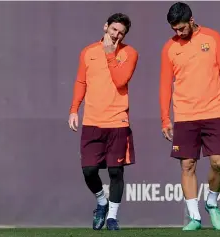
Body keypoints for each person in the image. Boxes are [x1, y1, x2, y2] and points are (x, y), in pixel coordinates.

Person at [159, 2, 220, 231]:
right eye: (174, 30)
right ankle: (195, 217)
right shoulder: (169, 48)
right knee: (188, 165)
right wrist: (165, 118)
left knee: (219, 163)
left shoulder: (213, 38)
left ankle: (211, 202)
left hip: (213, 111)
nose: (178, 33)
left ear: (191, 20)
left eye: (181, 28)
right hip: (184, 116)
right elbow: (165, 85)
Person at [68, 13, 138, 231]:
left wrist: (110, 54)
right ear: (105, 26)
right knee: (89, 170)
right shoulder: (88, 52)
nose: (116, 35)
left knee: (116, 172)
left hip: (117, 120)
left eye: (121, 33)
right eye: (114, 29)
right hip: (92, 121)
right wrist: (74, 110)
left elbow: (120, 80)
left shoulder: (129, 53)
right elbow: (81, 81)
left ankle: (112, 218)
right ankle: (101, 202)